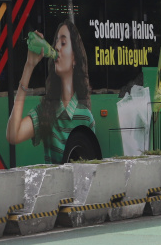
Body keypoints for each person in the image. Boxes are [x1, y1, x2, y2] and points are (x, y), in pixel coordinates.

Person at [6, 20, 95, 164]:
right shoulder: (46, 110)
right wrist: (29, 66)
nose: (57, 47)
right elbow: (13, 135)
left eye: (63, 43)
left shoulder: (86, 117)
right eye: (56, 42)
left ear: (74, 58)